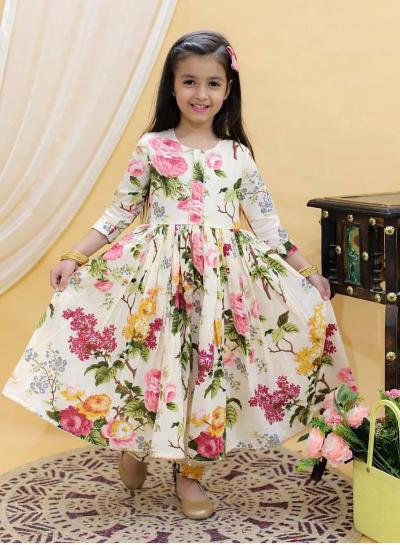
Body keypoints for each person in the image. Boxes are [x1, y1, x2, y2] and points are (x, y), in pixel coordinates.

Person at [2, 30, 355, 520]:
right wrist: (74, 257)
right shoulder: (151, 147)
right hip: (157, 283)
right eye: (189, 82)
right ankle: (133, 441)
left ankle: (190, 474)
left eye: (213, 83)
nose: (200, 94)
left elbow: (267, 225)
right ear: (172, 86)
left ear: (228, 89)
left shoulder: (236, 155)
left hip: (218, 289)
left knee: (205, 375)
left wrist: (306, 272)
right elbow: (120, 211)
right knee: (150, 365)